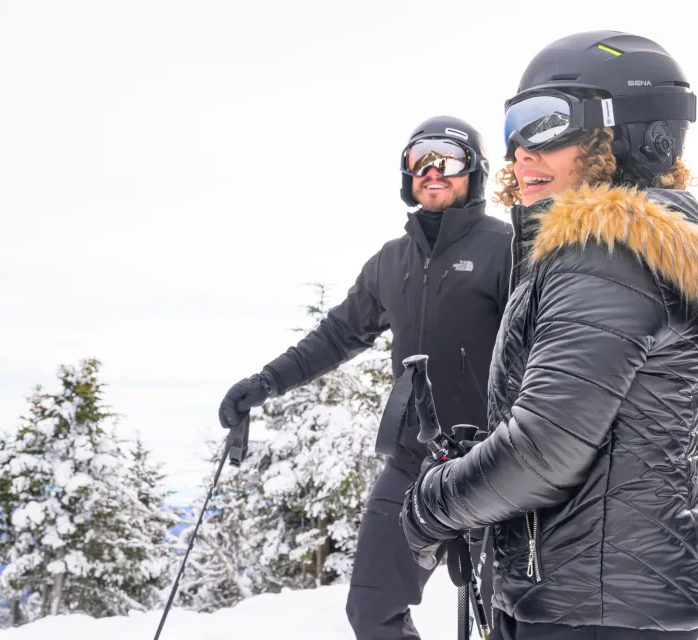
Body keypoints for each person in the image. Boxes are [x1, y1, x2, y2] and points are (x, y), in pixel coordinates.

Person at [399, 30, 698, 640]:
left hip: (587, 611)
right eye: (513, 128)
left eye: (546, 123)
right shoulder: (643, 256)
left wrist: (432, 506)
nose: (520, 151)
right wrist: (486, 460)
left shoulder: (606, 256)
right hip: (608, 601)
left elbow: (543, 453)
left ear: (625, 135)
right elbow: (598, 433)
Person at [218, 115, 513, 639]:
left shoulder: (507, 249)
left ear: (475, 172)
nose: (433, 171)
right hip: (415, 460)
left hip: (495, 463)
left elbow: (545, 345)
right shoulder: (390, 262)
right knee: (372, 612)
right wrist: (265, 383)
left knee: (508, 622)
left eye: (448, 159)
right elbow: (337, 335)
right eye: (420, 160)